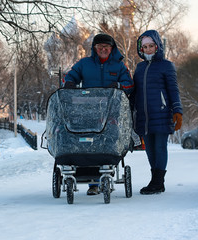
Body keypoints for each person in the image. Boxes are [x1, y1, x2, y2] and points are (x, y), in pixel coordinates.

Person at [64, 33, 134, 195]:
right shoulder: (84, 63)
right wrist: (69, 82)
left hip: (112, 112)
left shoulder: (119, 66)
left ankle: (106, 174)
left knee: (107, 142)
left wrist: (118, 85)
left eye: (106, 47)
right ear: (94, 49)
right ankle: (93, 183)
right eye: (100, 47)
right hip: (89, 111)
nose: (103, 49)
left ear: (111, 49)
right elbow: (71, 75)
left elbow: (129, 84)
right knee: (89, 143)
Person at [131, 30, 183, 195]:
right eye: (145, 47)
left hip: (161, 112)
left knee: (160, 147)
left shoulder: (166, 66)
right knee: (150, 149)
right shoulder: (139, 67)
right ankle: (155, 181)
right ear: (141, 48)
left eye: (151, 46)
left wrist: (177, 110)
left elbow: (173, 90)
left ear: (157, 46)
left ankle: (158, 182)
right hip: (144, 116)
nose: (148, 49)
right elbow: (135, 91)